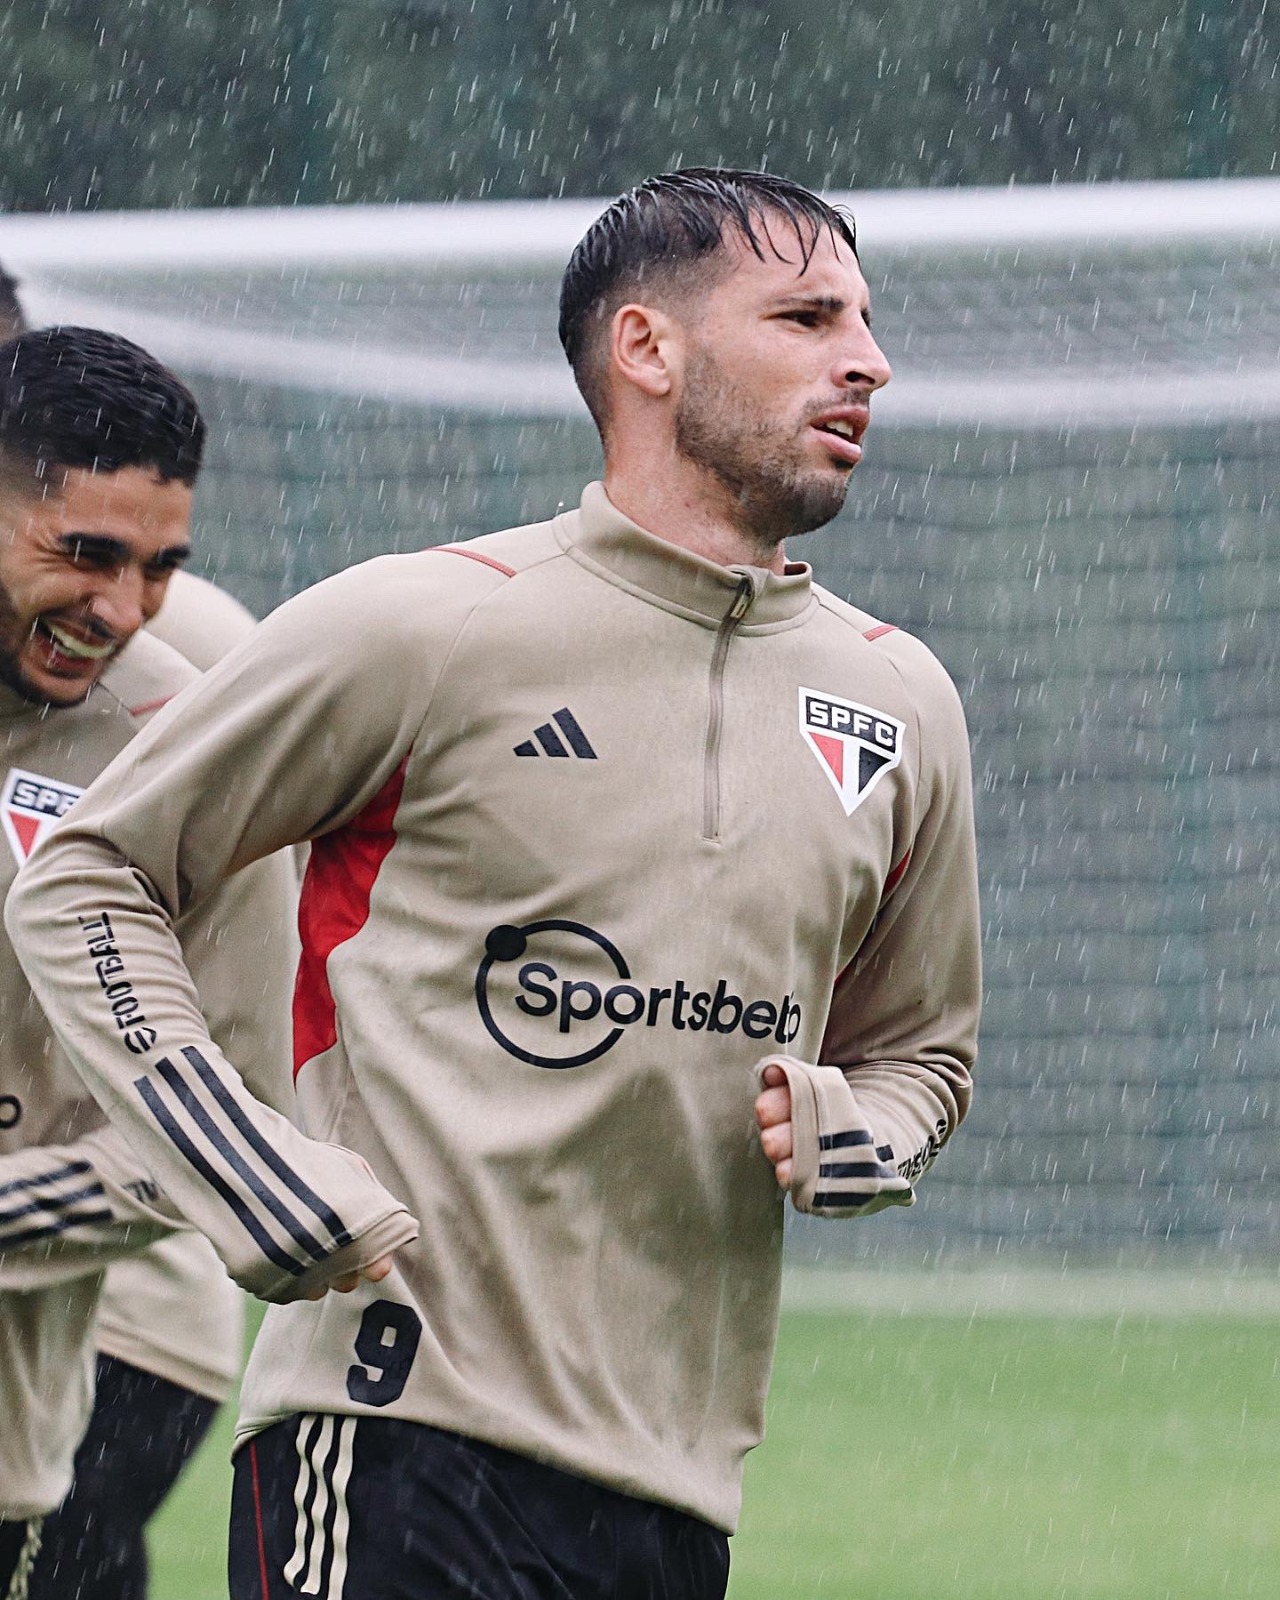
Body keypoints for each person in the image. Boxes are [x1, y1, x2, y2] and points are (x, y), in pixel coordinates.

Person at [7, 169, 980, 1598]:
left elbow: (920, 1051)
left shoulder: (901, 702)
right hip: (389, 1430)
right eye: (806, 314)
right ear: (647, 350)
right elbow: (91, 876)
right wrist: (241, 1161)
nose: (868, 359)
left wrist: (877, 1135)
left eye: (867, 321)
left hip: (680, 1484)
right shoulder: (423, 625)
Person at [0, 326, 297, 1599]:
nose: (121, 610)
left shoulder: (186, 740)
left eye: (159, 567)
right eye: (84, 554)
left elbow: (231, 1122)